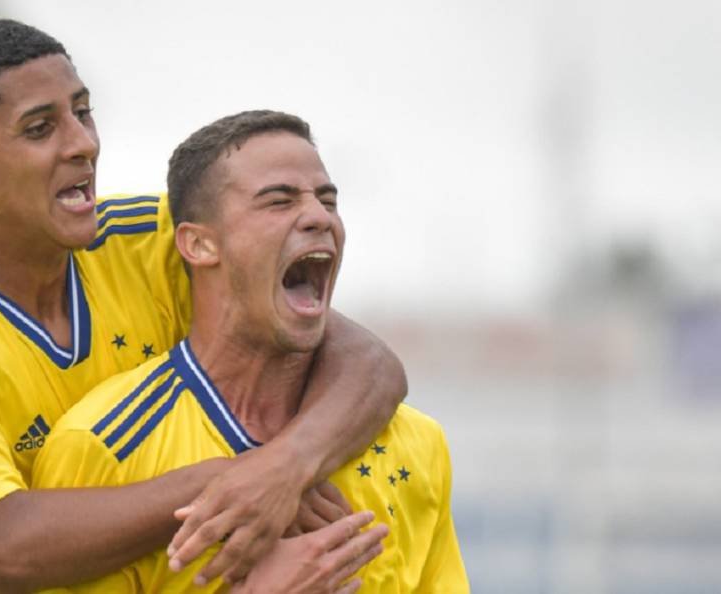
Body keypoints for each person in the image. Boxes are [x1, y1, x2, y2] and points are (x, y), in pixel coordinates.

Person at [0, 19, 406, 593]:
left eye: (83, 113)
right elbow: (7, 549)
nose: (84, 143)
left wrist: (284, 467)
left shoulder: (152, 236)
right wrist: (228, 482)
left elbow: (367, 361)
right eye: (41, 128)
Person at [34, 110, 469, 592]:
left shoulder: (415, 443)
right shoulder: (100, 448)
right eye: (278, 201)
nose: (318, 217)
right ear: (198, 245)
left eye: (328, 200)